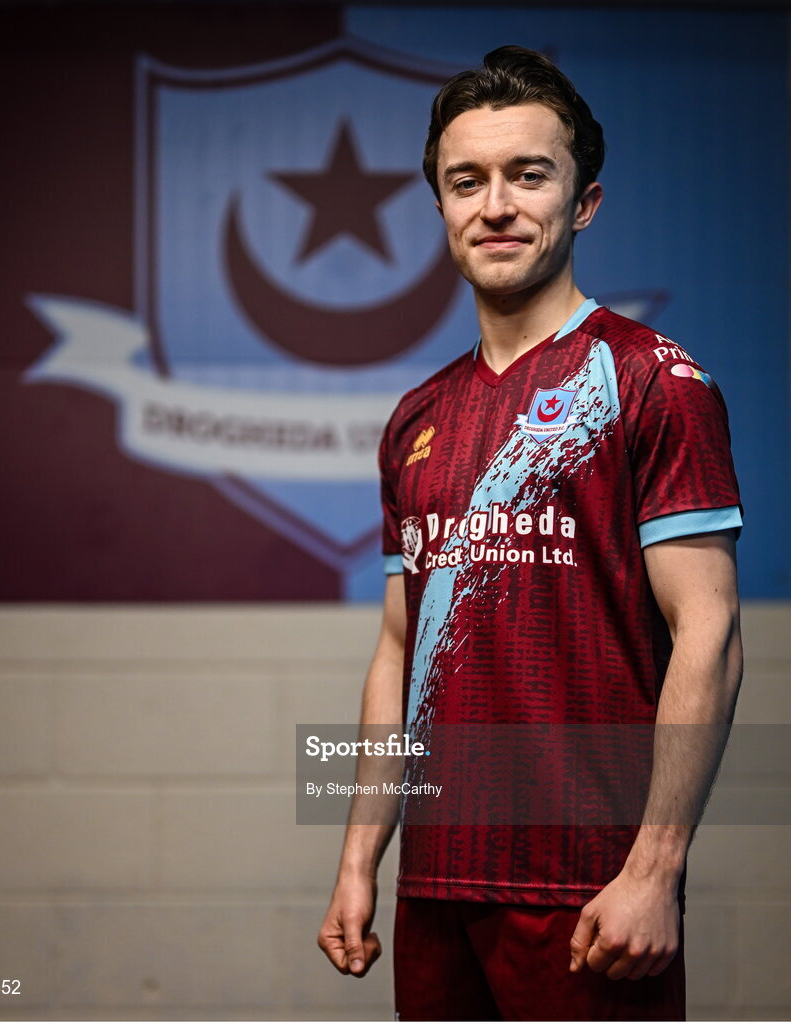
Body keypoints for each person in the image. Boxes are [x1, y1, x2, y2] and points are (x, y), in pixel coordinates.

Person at [317, 44, 742, 1021]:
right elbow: (395, 646)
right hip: (434, 889)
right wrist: (356, 859)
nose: (495, 203)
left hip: (587, 891)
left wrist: (653, 870)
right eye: (466, 180)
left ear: (582, 201)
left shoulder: (649, 381)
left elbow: (709, 637)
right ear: (438, 209)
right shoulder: (414, 417)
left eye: (527, 174)